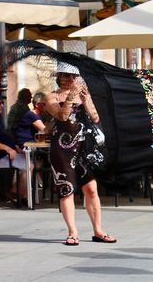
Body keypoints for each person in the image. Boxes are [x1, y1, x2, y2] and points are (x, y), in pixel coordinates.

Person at [45, 61, 115, 246]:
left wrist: (86, 100)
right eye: (66, 75)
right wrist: (70, 97)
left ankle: (98, 230)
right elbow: (62, 116)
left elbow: (96, 117)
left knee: (91, 189)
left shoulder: (84, 94)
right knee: (66, 188)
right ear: (59, 76)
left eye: (74, 76)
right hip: (62, 148)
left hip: (85, 147)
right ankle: (72, 232)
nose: (70, 79)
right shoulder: (52, 96)